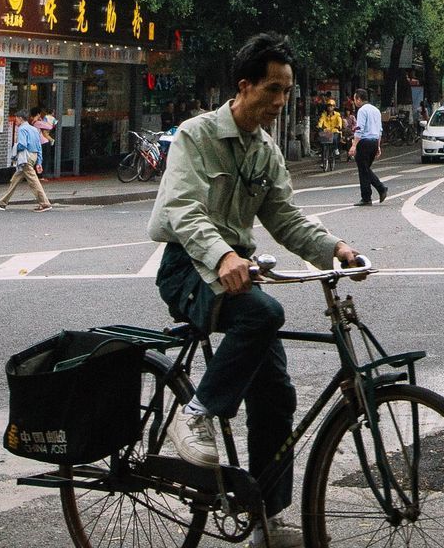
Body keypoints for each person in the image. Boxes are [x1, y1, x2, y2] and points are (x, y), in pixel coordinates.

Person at [148, 33, 362, 548]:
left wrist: (335, 248)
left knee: (277, 396)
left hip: (235, 272)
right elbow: (181, 208)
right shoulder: (196, 136)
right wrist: (221, 255)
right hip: (189, 269)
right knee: (264, 313)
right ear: (243, 87)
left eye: (287, 91)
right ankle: (195, 414)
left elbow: (284, 217)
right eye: (272, 89)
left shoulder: (265, 151)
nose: (280, 102)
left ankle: (267, 516)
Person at [0, 110, 52, 211]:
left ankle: (45, 203)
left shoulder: (22, 129)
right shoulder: (34, 129)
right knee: (15, 180)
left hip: (25, 157)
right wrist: (39, 162)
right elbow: (39, 147)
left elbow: (22, 144)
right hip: (33, 156)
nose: (16, 120)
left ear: (20, 118)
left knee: (33, 181)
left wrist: (15, 148)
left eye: (16, 118)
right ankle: (2, 202)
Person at [349, 88, 388, 206]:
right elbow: (380, 130)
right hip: (375, 141)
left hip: (365, 142)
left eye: (355, 99)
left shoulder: (362, 110)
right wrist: (378, 146)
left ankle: (379, 189)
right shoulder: (376, 110)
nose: (354, 101)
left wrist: (354, 145)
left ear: (359, 99)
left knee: (364, 169)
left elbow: (359, 129)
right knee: (365, 169)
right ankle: (368, 196)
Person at [317, 101, 343, 171]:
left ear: (334, 107)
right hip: (326, 132)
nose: (330, 108)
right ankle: (323, 160)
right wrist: (319, 126)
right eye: (329, 106)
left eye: (331, 106)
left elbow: (339, 121)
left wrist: (339, 126)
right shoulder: (324, 114)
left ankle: (335, 149)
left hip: (335, 131)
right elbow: (321, 121)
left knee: (334, 139)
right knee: (322, 144)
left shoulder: (337, 114)